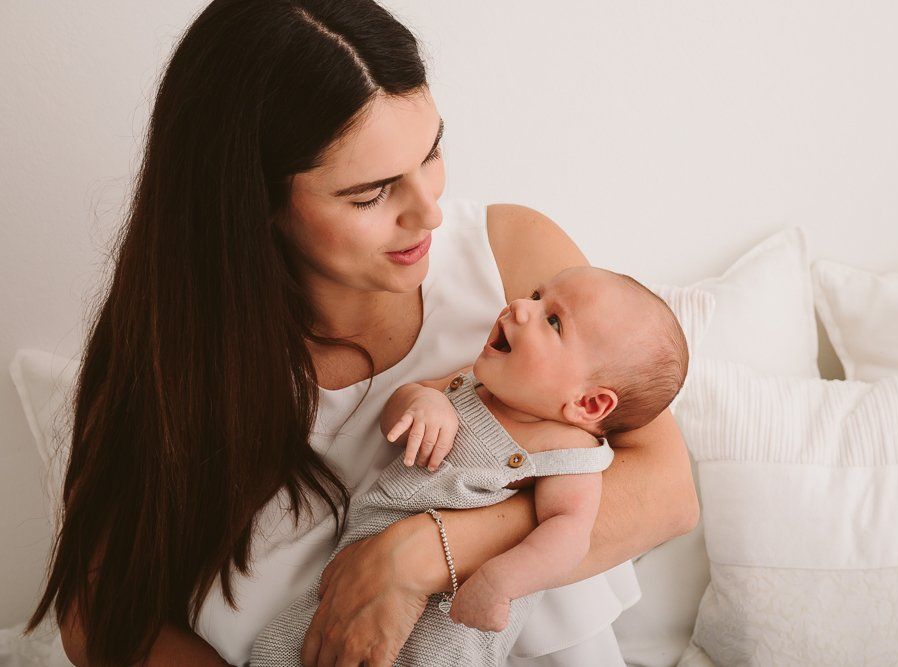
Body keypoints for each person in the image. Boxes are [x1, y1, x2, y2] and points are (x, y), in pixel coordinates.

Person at [24, 2, 699, 666]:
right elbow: (100, 616)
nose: (429, 213)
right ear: (254, 202)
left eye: (431, 154)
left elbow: (666, 492)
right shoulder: (174, 354)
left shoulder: (515, 261)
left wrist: (417, 555)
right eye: (371, 193)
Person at [249, 266, 689, 666]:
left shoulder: (569, 451)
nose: (521, 307)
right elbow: (396, 419)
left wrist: (501, 581)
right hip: (351, 578)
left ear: (589, 404)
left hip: (449, 625)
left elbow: (568, 535)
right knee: (291, 649)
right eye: (537, 295)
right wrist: (422, 401)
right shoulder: (471, 382)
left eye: (553, 321)